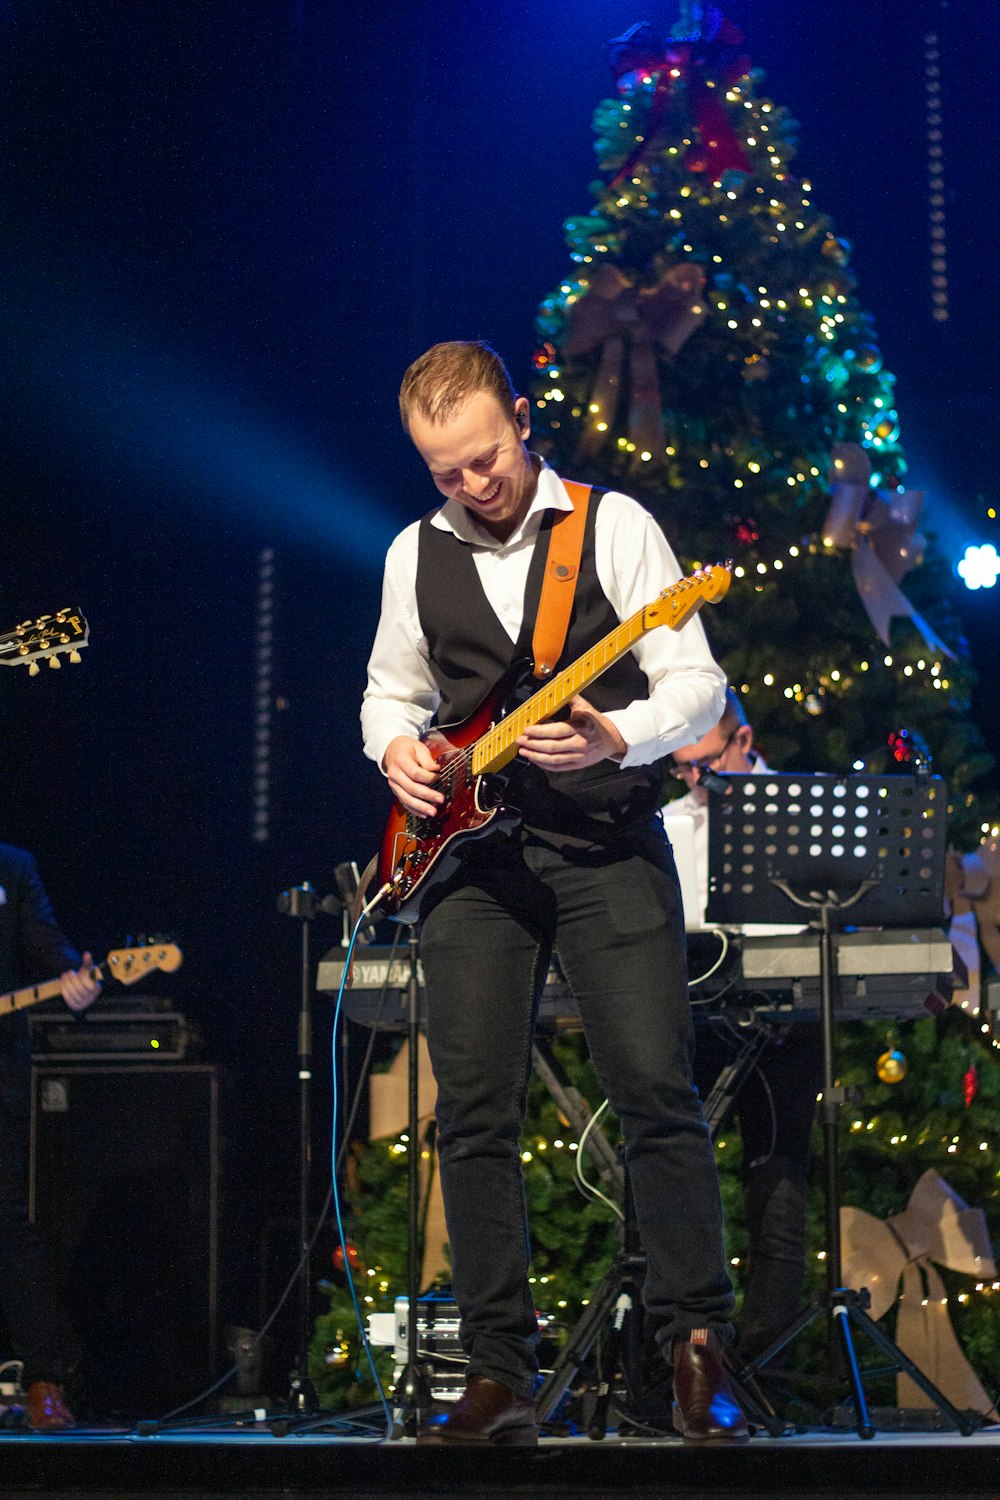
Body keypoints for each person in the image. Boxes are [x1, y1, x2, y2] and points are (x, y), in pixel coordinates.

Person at [361, 340, 749, 1445]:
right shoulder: (409, 555)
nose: (473, 485)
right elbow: (390, 694)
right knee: (472, 1113)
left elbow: (697, 682)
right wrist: (394, 749)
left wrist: (618, 733)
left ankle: (695, 1351)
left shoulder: (612, 526)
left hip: (605, 841)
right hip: (471, 862)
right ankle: (499, 1376)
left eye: (485, 458)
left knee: (652, 1092)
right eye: (446, 472)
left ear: (521, 419)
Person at [661, 690, 822, 1366]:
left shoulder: (804, 812)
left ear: (744, 739)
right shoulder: (666, 822)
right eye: (683, 769)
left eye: (706, 764)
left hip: (785, 1023)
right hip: (697, 1021)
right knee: (669, 1175)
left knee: (778, 1181)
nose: (695, 781)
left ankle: (764, 1362)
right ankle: (674, 1358)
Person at [0, 841, 101, 1431]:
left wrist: (74, 977)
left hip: (0, 1077)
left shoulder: (12, 866)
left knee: (9, 1228)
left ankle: (45, 1381)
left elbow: (46, 948)